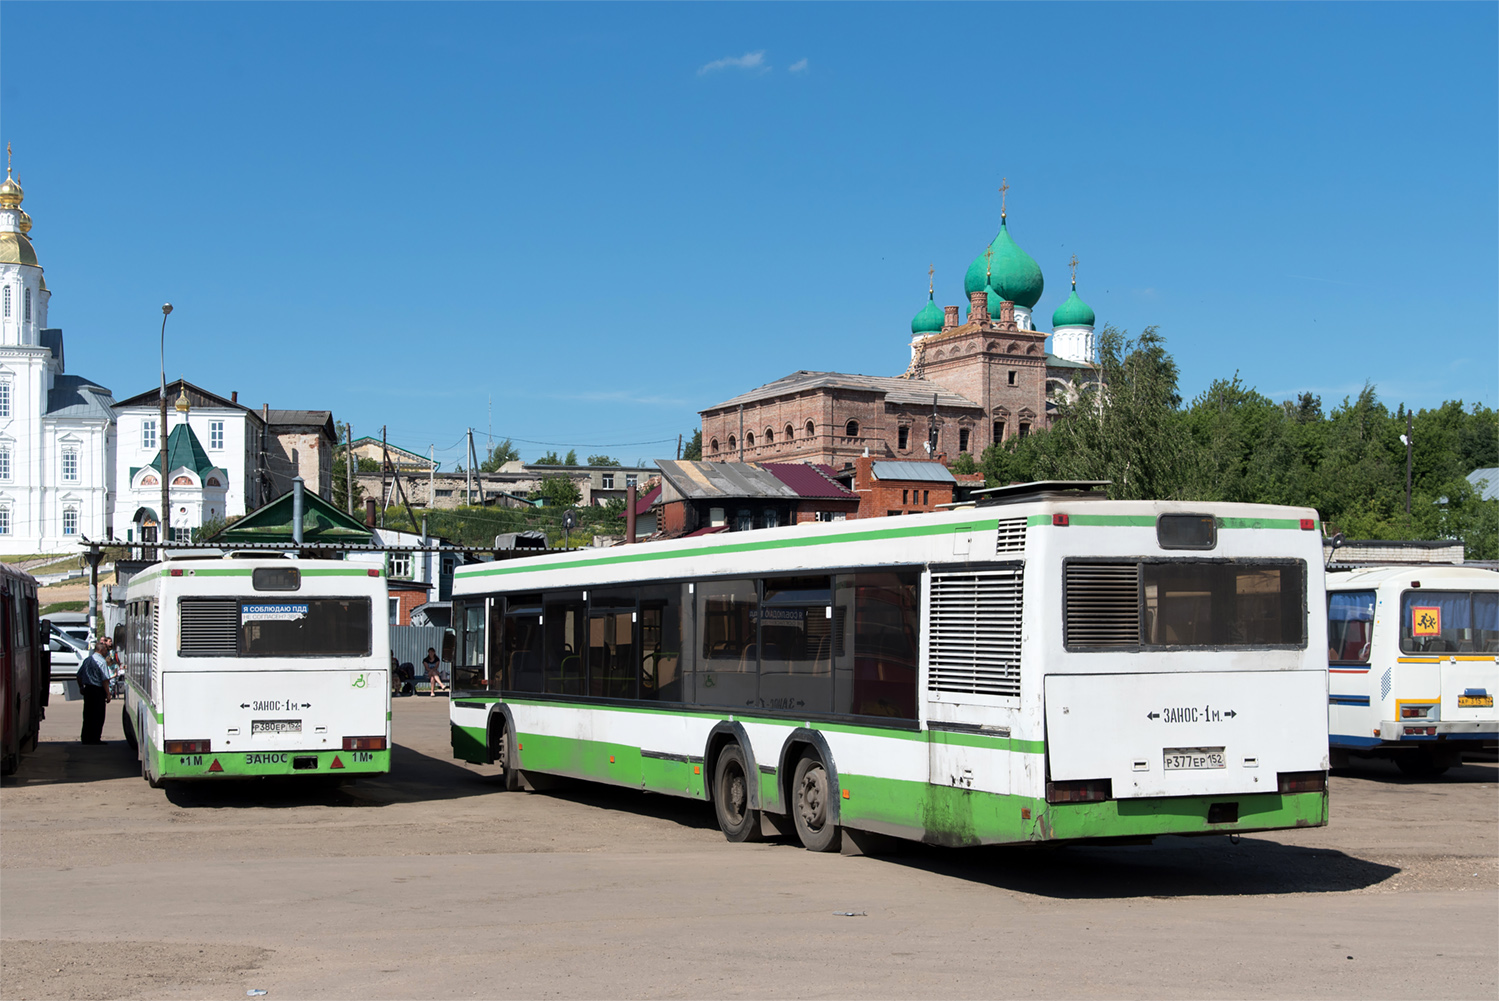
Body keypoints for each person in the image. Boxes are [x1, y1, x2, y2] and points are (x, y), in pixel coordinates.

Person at [77, 637, 113, 744]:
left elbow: (78, 675)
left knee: (88, 715)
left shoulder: (87, 660)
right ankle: (95, 738)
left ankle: (85, 738)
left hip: (88, 690)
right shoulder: (102, 662)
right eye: (106, 650)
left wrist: (81, 687)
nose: (107, 652)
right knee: (98, 715)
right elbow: (105, 680)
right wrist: (108, 694)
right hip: (98, 691)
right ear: (101, 650)